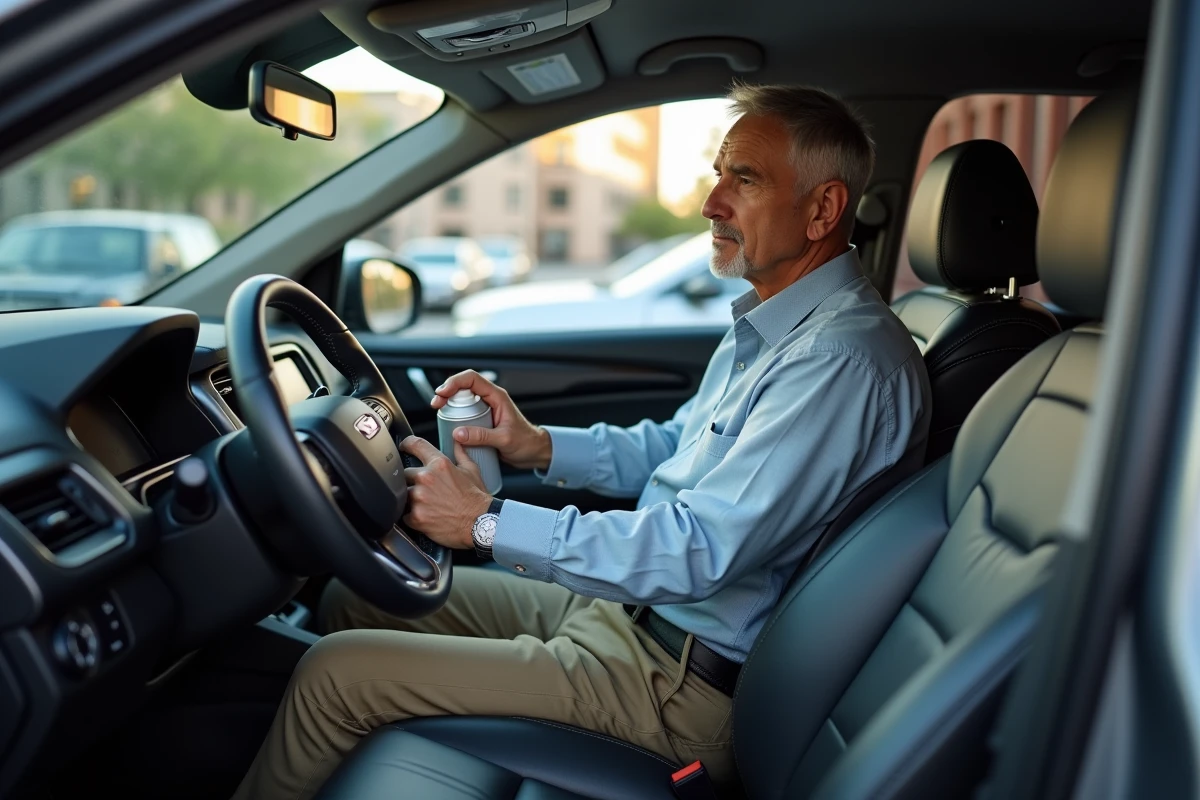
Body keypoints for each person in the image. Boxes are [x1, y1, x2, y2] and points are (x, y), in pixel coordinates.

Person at [233, 82, 932, 800]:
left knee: (334, 673)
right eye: (718, 172)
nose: (711, 201)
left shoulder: (839, 362)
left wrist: (484, 521)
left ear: (822, 210)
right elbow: (675, 449)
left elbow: (699, 549)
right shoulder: (780, 323)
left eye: (744, 179)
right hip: (627, 621)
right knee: (358, 600)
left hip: (673, 687)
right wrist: (536, 445)